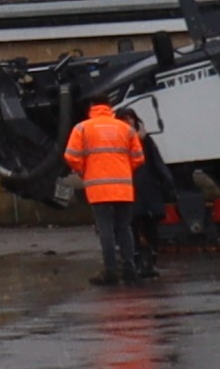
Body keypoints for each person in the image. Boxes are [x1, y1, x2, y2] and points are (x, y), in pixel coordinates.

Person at [66, 96, 154, 285]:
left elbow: (71, 156)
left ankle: (111, 271)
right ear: (109, 106)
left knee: (105, 229)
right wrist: (123, 169)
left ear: (91, 106)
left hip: (98, 188)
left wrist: (84, 170)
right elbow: (138, 158)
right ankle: (130, 270)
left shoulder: (82, 128)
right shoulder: (125, 129)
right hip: (123, 187)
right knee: (124, 228)